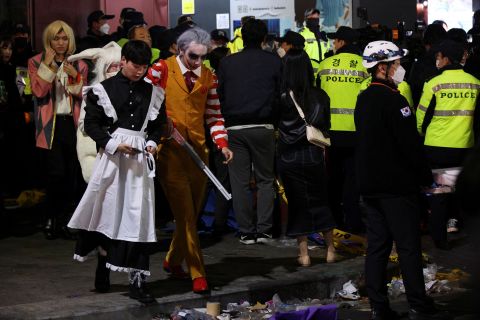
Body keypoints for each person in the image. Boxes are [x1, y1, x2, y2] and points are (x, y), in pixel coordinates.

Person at [68, 40, 169, 303]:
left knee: (140, 218)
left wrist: (152, 143)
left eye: (144, 67)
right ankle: (104, 263)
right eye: (136, 65)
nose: (140, 71)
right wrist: (112, 143)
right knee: (108, 214)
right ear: (123, 61)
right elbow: (90, 124)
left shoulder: (154, 92)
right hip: (113, 158)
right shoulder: (103, 90)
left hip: (139, 161)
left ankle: (138, 282)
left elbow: (159, 126)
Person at [356, 40, 450, 320]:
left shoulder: (364, 99)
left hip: (370, 187)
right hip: (397, 188)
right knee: (408, 247)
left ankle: (378, 307)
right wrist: (425, 178)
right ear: (382, 67)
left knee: (377, 247)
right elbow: (410, 147)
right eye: (396, 64)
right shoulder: (395, 101)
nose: (400, 69)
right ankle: (418, 305)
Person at [153, 27, 233, 293]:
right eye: (193, 56)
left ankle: (172, 260)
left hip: (199, 153)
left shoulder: (209, 77)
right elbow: (144, 106)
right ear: (178, 49)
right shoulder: (161, 70)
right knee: (187, 215)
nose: (198, 62)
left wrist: (222, 143)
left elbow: (214, 116)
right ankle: (198, 273)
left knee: (190, 212)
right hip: (169, 153)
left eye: (202, 57)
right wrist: (159, 127)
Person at [217, 18, 282, 245]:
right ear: (264, 38)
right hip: (264, 127)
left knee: (240, 182)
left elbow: (220, 95)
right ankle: (264, 230)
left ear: (242, 37)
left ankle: (245, 231)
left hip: (234, 128)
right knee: (265, 180)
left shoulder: (227, 63)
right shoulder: (274, 62)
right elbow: (280, 93)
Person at [416, 39, 480, 249]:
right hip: (464, 146)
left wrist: (421, 136)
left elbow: (421, 117)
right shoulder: (475, 82)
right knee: (460, 192)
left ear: (445, 58)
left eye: (438, 56)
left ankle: (439, 240)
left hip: (438, 146)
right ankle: (466, 234)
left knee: (440, 194)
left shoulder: (434, 83)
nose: (436, 60)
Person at [28, 20, 88, 240]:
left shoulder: (79, 63)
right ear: (49, 40)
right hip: (49, 126)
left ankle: (63, 220)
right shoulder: (36, 61)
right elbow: (39, 91)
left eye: (64, 38)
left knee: (71, 176)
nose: (61, 42)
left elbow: (83, 95)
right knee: (55, 174)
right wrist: (50, 65)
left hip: (72, 125)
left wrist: (74, 75)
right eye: (56, 38)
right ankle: (50, 218)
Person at [277, 49, 336, 266]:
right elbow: (326, 125)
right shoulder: (321, 95)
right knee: (321, 200)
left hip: (289, 157)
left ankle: (304, 254)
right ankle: (330, 249)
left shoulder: (282, 98)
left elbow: (278, 125)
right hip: (314, 155)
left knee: (297, 204)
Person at [316, 26, 368, 233]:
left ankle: (333, 221)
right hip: (356, 131)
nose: (333, 44)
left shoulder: (325, 64)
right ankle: (354, 222)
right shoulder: (365, 66)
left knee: (332, 178)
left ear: (341, 42)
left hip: (329, 132)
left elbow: (317, 96)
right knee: (353, 179)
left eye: (335, 40)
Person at [67, 41, 122, 183]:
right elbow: (83, 124)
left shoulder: (131, 92)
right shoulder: (94, 93)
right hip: (97, 152)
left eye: (119, 66)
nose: (116, 71)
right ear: (103, 69)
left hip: (123, 154)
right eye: (112, 67)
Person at [299, 8, 331, 73]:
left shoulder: (323, 35)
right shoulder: (302, 34)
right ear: (306, 18)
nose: (315, 18)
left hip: (323, 73)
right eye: (312, 16)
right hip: (308, 73)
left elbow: (328, 53)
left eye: (317, 16)